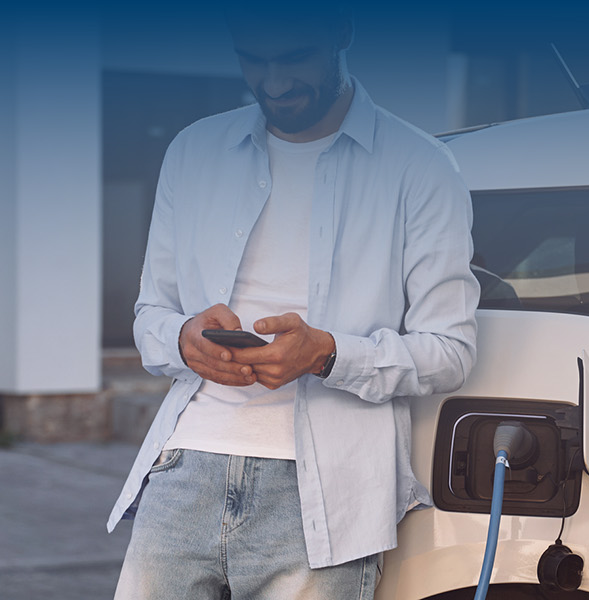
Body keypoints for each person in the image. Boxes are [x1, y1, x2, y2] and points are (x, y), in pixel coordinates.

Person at [107, 6, 479, 598]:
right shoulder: (192, 151)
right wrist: (185, 339)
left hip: (329, 493)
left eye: (294, 58)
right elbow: (151, 315)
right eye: (253, 61)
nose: (274, 83)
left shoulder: (422, 167)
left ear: (343, 31)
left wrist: (326, 354)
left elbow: (451, 351)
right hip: (185, 468)